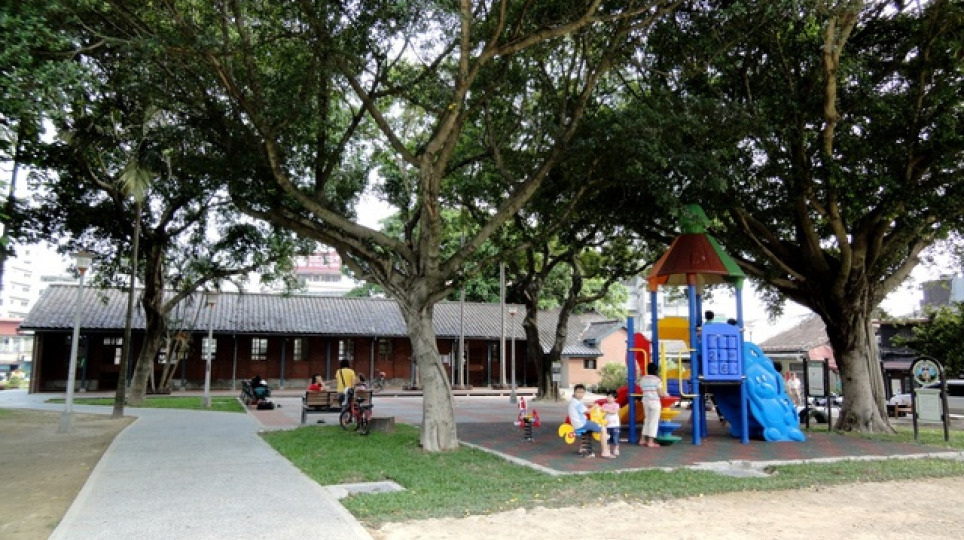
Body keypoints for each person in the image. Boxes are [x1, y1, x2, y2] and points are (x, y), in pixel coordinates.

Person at [567, 384, 612, 458]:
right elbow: (588, 411)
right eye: (578, 392)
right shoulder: (577, 403)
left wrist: (590, 405)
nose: (580, 394)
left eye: (582, 392)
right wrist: (595, 406)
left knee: (590, 427)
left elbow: (582, 408)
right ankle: (605, 452)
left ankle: (583, 449)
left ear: (584, 393)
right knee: (603, 428)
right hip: (582, 423)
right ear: (574, 392)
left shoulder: (573, 401)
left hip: (576, 424)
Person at [638, 363, 666, 448]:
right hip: (654, 401)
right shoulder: (657, 380)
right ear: (656, 370)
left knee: (647, 420)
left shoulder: (643, 379)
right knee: (654, 421)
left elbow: (641, 389)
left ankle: (642, 439)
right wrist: (664, 394)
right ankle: (650, 441)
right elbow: (661, 393)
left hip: (646, 401)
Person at [601, 390, 621, 457]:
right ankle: (608, 449)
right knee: (607, 438)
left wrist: (606, 410)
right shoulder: (604, 405)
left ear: (615, 399)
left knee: (615, 438)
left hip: (615, 425)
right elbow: (602, 413)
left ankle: (616, 449)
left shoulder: (616, 405)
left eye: (611, 397)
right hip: (607, 425)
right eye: (608, 396)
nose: (608, 398)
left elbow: (614, 412)